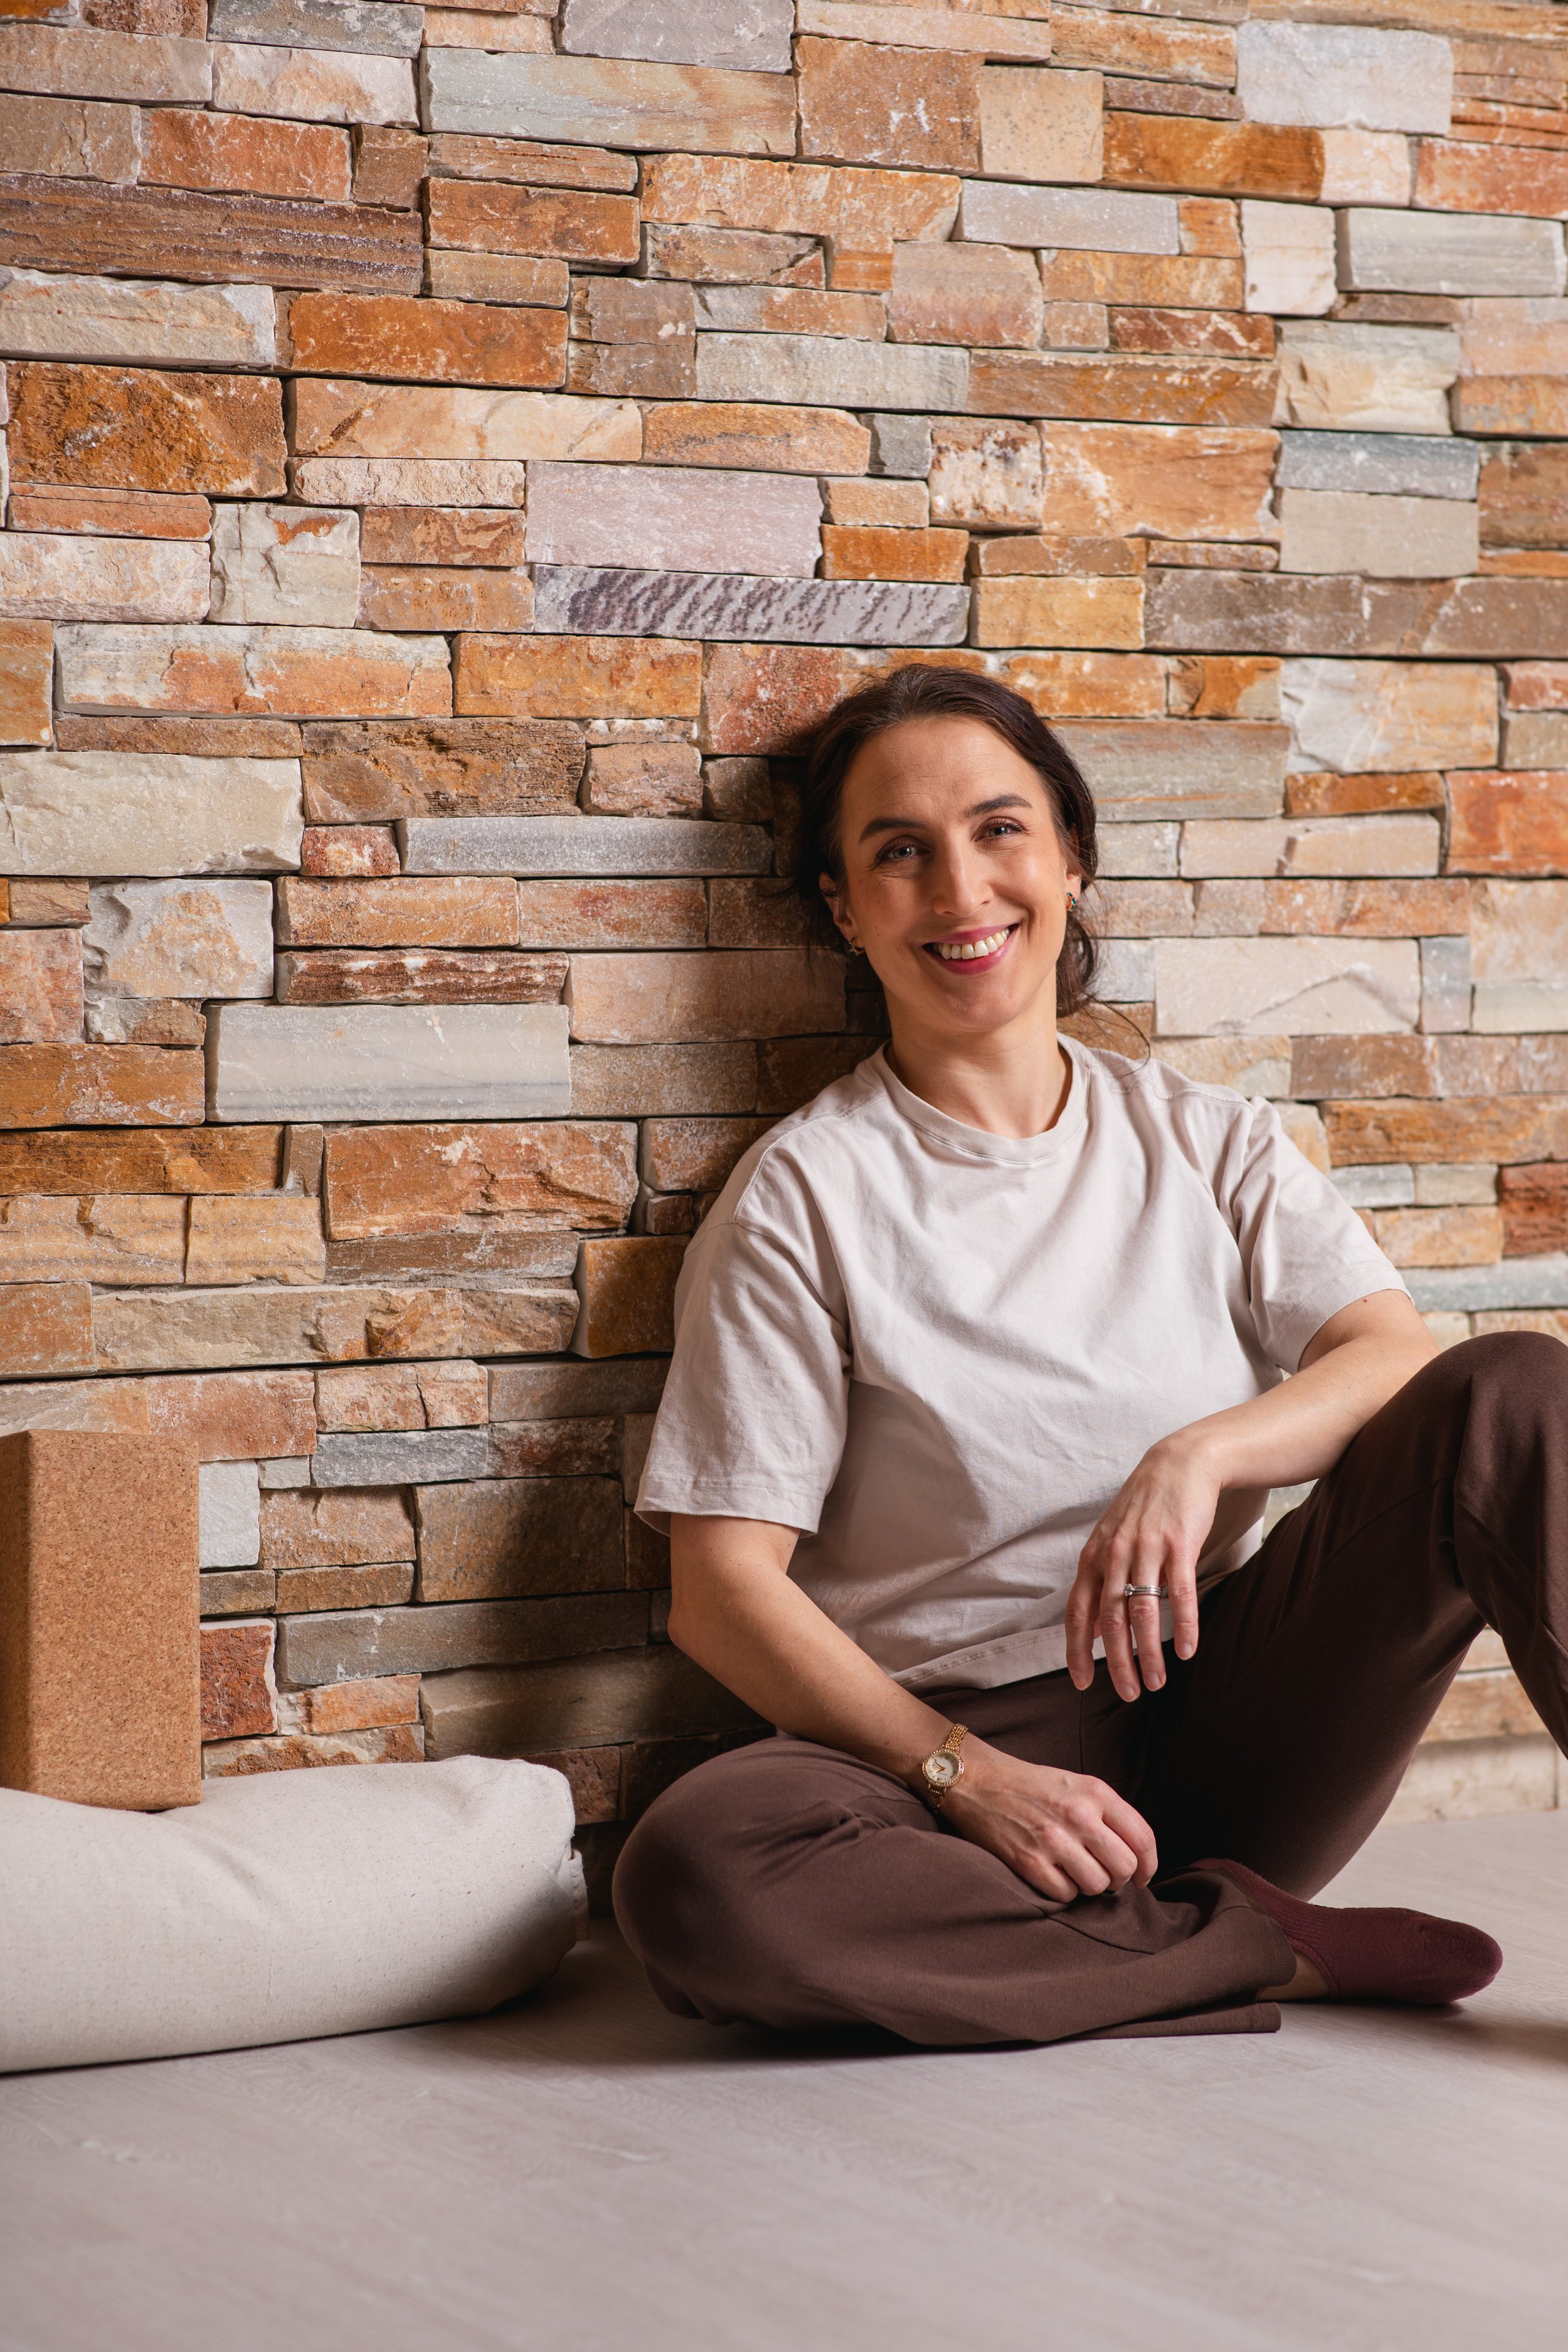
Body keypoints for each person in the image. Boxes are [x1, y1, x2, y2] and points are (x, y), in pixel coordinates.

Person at [613, 664, 1564, 2047]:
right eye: (899, 852)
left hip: (1226, 1709)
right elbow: (720, 1593)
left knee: (1513, 1393)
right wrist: (963, 1774)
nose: (960, 890)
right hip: (942, 1772)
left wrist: (1200, 1456)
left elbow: (1386, 1354)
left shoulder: (1204, 1138)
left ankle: (1128, 1948)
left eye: (999, 829)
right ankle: (1257, 1945)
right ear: (844, 908)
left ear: (1070, 857)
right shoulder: (802, 1198)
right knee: (697, 1878)